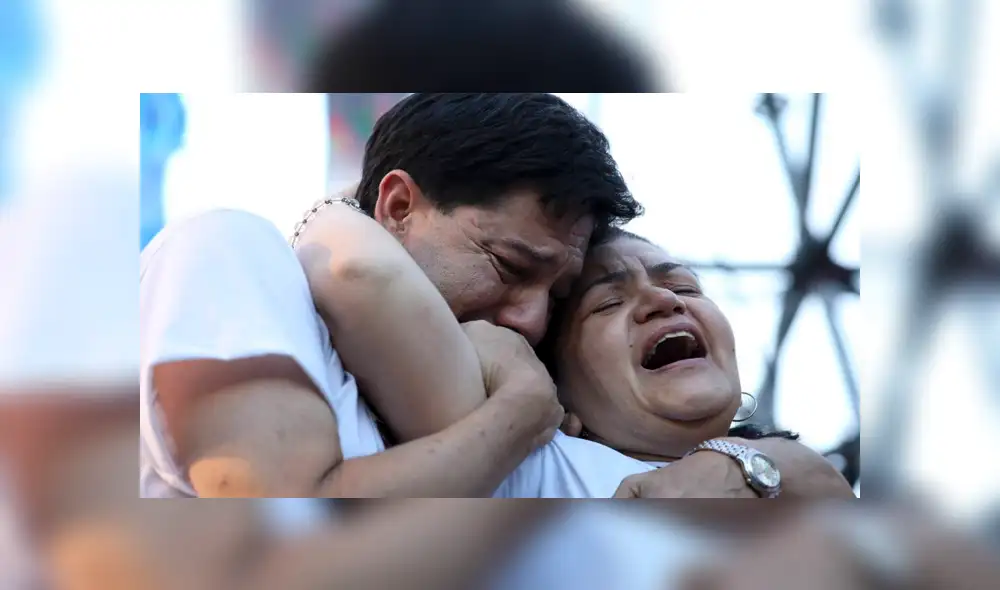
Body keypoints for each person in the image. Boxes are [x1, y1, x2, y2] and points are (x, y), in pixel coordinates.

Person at [140, 92, 641, 498]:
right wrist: (519, 413)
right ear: (399, 206)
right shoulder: (228, 251)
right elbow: (286, 530)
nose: (531, 320)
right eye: (509, 265)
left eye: (558, 295)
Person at [493, 227, 855, 498]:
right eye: (608, 303)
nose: (664, 300)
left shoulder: (794, 488)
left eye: (685, 288)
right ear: (555, 387)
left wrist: (774, 463)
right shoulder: (527, 466)